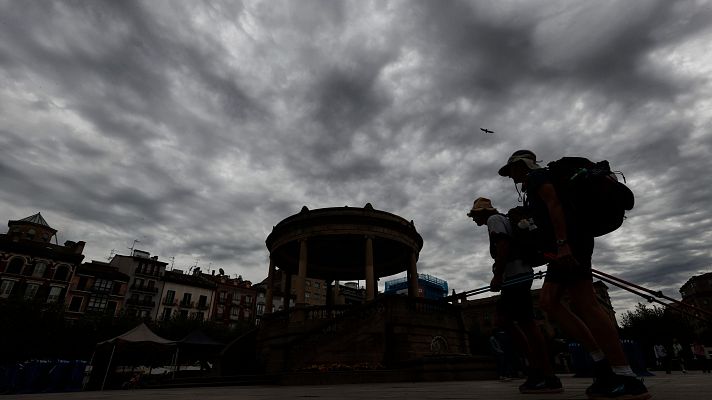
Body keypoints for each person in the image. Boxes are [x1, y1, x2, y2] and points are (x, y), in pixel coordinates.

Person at [498, 150, 650, 400]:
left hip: (569, 245)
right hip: (564, 247)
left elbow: (554, 203)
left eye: (511, 170)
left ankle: (625, 377)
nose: (510, 176)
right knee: (549, 302)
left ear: (521, 165)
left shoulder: (537, 177)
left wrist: (562, 243)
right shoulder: (534, 185)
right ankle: (602, 366)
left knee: (586, 302)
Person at [468, 197, 562, 394]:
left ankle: (541, 373)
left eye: (475, 215)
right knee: (507, 321)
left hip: (515, 277)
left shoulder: (494, 220)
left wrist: (497, 275)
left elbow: (503, 246)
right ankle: (542, 372)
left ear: (482, 212)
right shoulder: (502, 219)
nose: (473, 219)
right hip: (520, 275)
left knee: (521, 323)